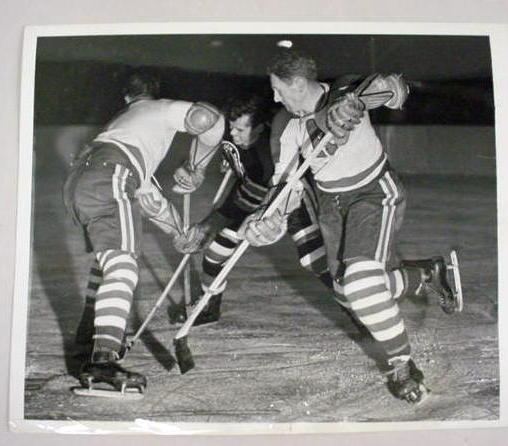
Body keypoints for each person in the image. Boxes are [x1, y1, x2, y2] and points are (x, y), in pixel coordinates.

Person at [238, 50, 461, 404]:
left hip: (373, 194)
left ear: (297, 83)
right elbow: (286, 184)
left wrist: (359, 101)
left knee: (360, 286)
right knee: (347, 293)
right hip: (331, 206)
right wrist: (270, 218)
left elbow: (395, 88)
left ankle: (402, 365)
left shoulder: (343, 89)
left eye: (279, 89)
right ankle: (425, 274)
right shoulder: (285, 123)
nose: (276, 97)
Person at [63, 70, 225, 395]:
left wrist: (179, 232)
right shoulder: (159, 109)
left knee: (109, 264)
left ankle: (87, 347)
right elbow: (210, 118)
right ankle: (103, 359)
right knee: (123, 265)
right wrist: (197, 168)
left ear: (126, 97)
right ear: (155, 93)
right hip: (113, 175)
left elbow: (150, 199)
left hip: (87, 179)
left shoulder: (126, 126)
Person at [173, 95, 336, 325]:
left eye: (241, 129)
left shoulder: (274, 145)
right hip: (252, 199)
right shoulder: (235, 140)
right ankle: (208, 307)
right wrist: (192, 170)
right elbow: (235, 184)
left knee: (316, 261)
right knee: (215, 253)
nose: (234, 134)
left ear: (260, 127)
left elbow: (281, 189)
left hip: (292, 201)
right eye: (232, 128)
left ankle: (359, 310)